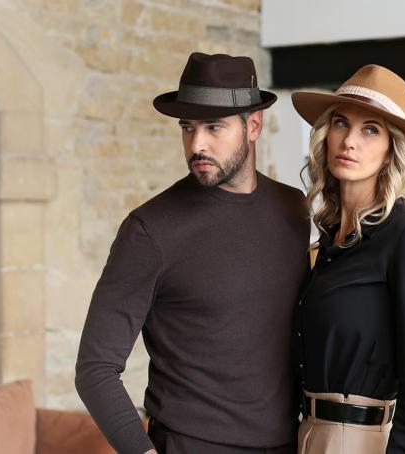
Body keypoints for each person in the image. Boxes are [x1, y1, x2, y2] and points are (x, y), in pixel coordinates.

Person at [75, 52, 309, 454]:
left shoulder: (293, 209)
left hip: (290, 443)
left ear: (254, 125)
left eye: (213, 127)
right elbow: (95, 369)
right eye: (188, 127)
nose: (197, 144)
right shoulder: (149, 230)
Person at [290, 64, 405, 453]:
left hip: (358, 441)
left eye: (370, 130)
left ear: (392, 151)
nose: (349, 141)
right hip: (306, 433)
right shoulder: (327, 239)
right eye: (341, 123)